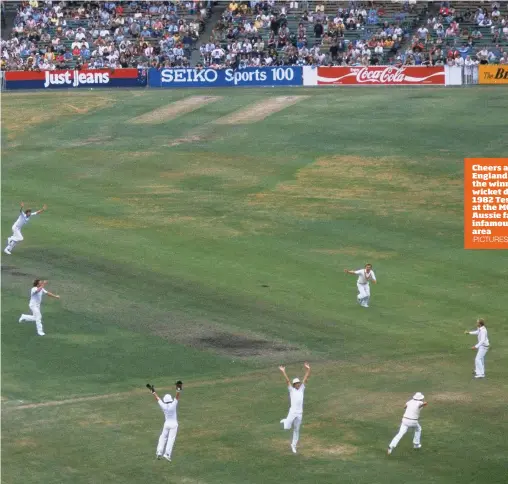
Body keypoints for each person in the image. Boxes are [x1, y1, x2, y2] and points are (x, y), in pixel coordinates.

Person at [279, 362, 311, 454]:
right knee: (287, 428)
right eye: (297, 383)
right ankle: (286, 420)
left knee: (296, 429)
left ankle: (293, 445)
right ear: (294, 385)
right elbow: (287, 381)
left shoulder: (302, 389)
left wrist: (308, 369)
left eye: (299, 383)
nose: (298, 384)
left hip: (299, 413)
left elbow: (306, 378)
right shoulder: (291, 390)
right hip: (292, 412)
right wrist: (283, 371)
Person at [151, 382, 181, 461]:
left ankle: (159, 452)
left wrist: (153, 392)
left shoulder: (163, 405)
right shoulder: (173, 405)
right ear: (170, 399)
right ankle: (167, 454)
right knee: (171, 439)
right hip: (174, 424)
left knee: (162, 437)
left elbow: (158, 399)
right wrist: (178, 389)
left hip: (166, 424)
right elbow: (177, 397)